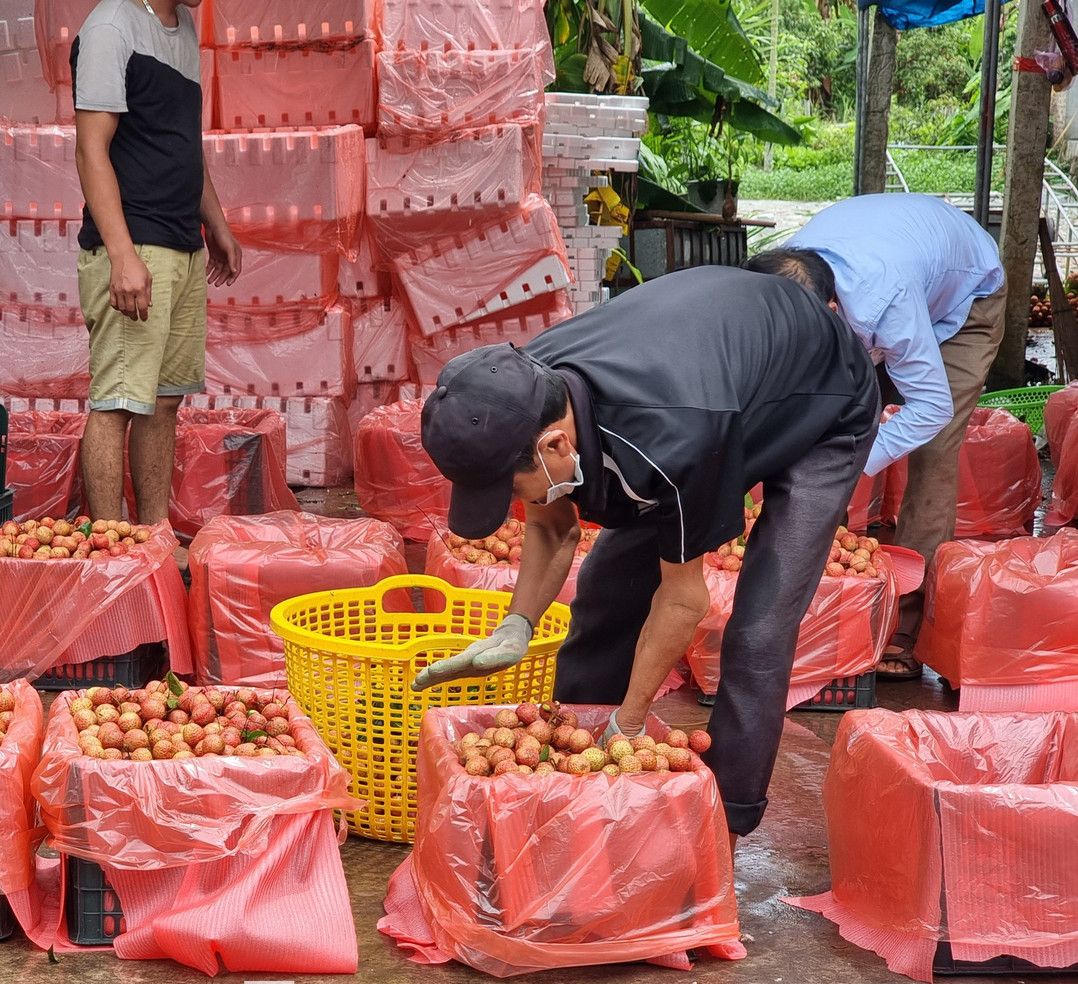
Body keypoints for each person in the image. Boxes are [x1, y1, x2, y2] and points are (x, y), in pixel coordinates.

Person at [412, 265, 878, 841]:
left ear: (555, 443)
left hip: (821, 402)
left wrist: (630, 723)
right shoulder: (523, 394)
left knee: (760, 625)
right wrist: (518, 623)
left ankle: (724, 815)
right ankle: (574, 759)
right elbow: (554, 528)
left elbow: (683, 599)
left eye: (508, 488)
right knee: (608, 584)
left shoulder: (672, 438)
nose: (511, 505)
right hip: (721, 383)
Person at [745, 193, 1005, 680]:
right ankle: (817, 605)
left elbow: (931, 409)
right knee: (822, 431)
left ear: (828, 310)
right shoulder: (781, 279)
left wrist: (854, 460)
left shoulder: (888, 306)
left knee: (932, 448)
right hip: (893, 270)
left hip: (965, 299)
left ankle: (903, 631)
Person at [72, 0, 242, 523]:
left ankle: (153, 534)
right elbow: (90, 149)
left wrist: (214, 222)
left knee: (163, 401)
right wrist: (121, 254)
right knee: (118, 401)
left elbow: (182, 142)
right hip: (135, 245)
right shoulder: (109, 28)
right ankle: (110, 547)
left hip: (180, 245)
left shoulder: (183, 27)